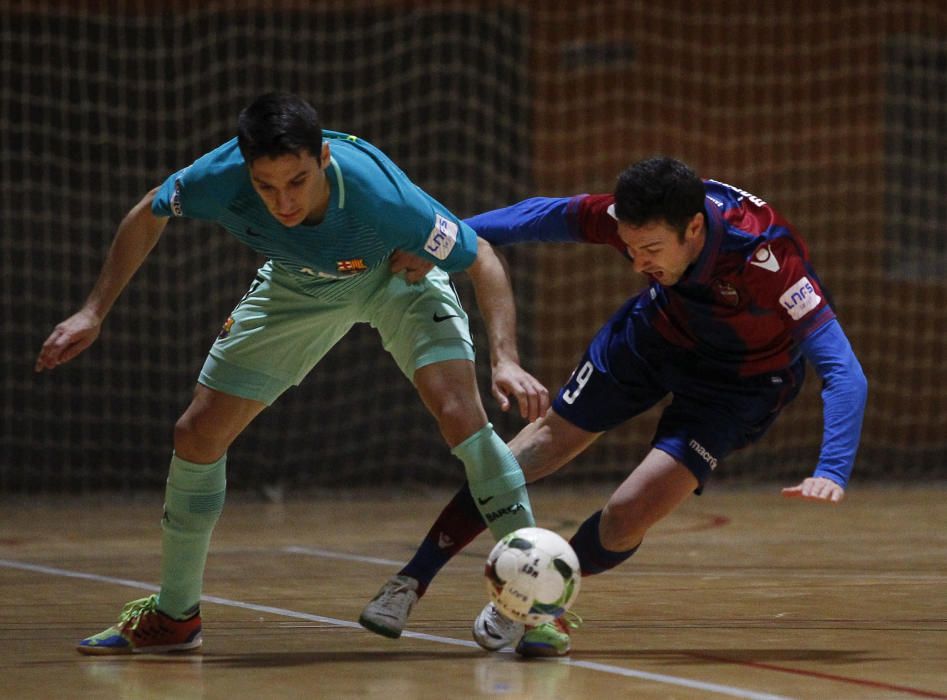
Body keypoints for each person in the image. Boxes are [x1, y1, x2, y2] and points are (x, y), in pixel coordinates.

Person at [34, 92, 550, 655]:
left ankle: (540, 608)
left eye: (298, 182)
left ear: (324, 157)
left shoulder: (382, 198)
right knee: (197, 433)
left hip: (398, 277)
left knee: (463, 420)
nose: (283, 201)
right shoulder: (217, 178)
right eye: (266, 186)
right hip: (301, 284)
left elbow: (483, 261)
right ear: (244, 166)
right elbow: (148, 212)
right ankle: (175, 615)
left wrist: (505, 359)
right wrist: (92, 310)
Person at [359, 156, 868, 657]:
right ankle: (411, 580)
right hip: (654, 338)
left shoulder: (766, 256)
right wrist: (448, 242)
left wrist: (832, 468)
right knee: (526, 454)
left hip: (738, 387)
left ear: (694, 228)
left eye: (650, 249)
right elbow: (543, 214)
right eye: (630, 248)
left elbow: (845, 371)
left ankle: (533, 600)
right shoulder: (638, 217)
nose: (639, 262)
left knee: (628, 516)